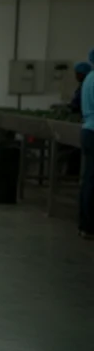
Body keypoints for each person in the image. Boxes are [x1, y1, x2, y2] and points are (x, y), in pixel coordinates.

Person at [79, 48, 94, 237]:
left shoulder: (89, 77)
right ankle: (90, 226)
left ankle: (84, 224)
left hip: (88, 130)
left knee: (89, 179)